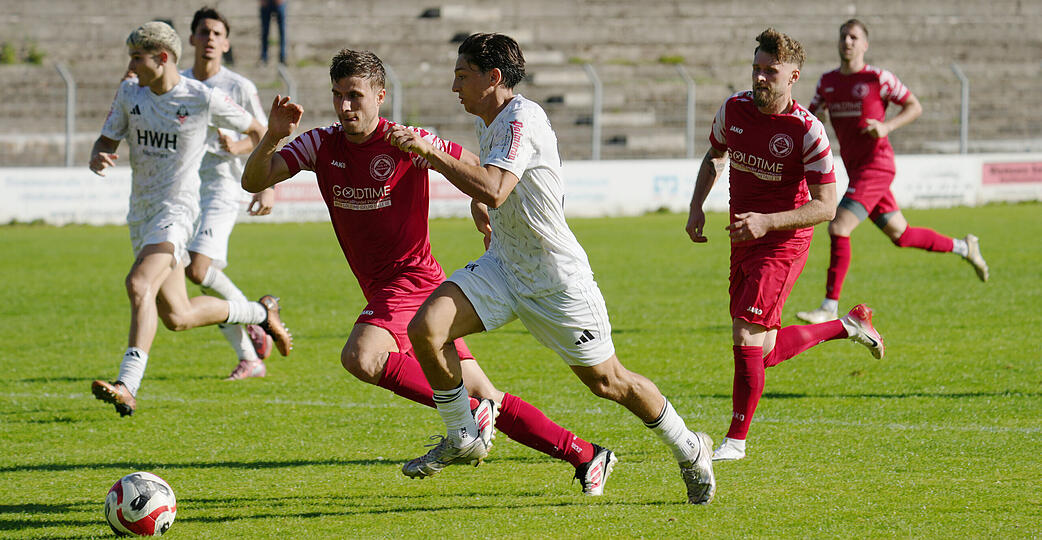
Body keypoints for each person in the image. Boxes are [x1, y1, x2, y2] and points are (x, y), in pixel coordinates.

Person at [242, 49, 619, 496]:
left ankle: (463, 415)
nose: (346, 107)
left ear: (380, 96)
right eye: (338, 96)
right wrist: (273, 136)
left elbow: (480, 170)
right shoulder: (321, 143)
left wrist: (480, 204)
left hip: (413, 283)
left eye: (356, 96)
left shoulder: (407, 141)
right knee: (488, 396)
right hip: (391, 289)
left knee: (361, 357)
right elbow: (254, 180)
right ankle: (585, 454)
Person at [384, 33, 716, 504]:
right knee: (426, 329)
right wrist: (484, 208)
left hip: (554, 279)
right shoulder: (490, 120)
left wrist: (433, 154)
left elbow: (497, 187)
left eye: (462, 76)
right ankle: (463, 433)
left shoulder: (523, 117)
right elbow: (498, 191)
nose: (453, 86)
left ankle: (689, 447)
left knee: (609, 382)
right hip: (505, 266)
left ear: (493, 78)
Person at [685, 28, 885, 462]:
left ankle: (735, 441)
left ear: (792, 76)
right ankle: (849, 325)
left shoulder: (807, 131)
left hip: (783, 243)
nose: (759, 78)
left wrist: (768, 222)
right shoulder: (733, 110)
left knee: (745, 334)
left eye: (769, 72)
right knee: (766, 350)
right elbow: (715, 155)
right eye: (756, 69)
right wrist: (696, 206)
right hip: (744, 238)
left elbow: (828, 206)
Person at [88, 21, 292, 417]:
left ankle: (128, 384)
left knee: (138, 282)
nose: (129, 66)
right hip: (141, 214)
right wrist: (100, 153)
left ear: (162, 58)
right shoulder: (131, 92)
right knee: (177, 316)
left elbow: (256, 128)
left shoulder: (201, 97)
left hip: (177, 212)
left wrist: (265, 177)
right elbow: (106, 138)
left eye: (136, 57)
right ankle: (259, 312)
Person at [795, 19, 989, 325]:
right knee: (902, 234)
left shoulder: (878, 78)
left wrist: (886, 126)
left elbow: (914, 106)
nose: (847, 41)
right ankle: (966, 247)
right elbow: (811, 114)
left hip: (877, 167)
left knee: (838, 227)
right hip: (858, 171)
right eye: (843, 36)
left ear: (865, 44)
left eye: (854, 37)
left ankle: (829, 308)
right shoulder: (827, 82)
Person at [182, 6, 278, 381]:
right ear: (191, 39)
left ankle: (257, 312)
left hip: (223, 186)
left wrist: (265, 185)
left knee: (198, 268)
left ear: (226, 43)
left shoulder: (238, 87)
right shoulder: (180, 82)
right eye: (203, 32)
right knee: (207, 276)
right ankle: (250, 356)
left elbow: (261, 137)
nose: (210, 39)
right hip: (185, 189)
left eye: (217, 34)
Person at [259, 0, 287, 65]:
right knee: (265, 31)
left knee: (282, 31)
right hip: (266, 2)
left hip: (279, 3)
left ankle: (282, 57)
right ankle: (264, 57)